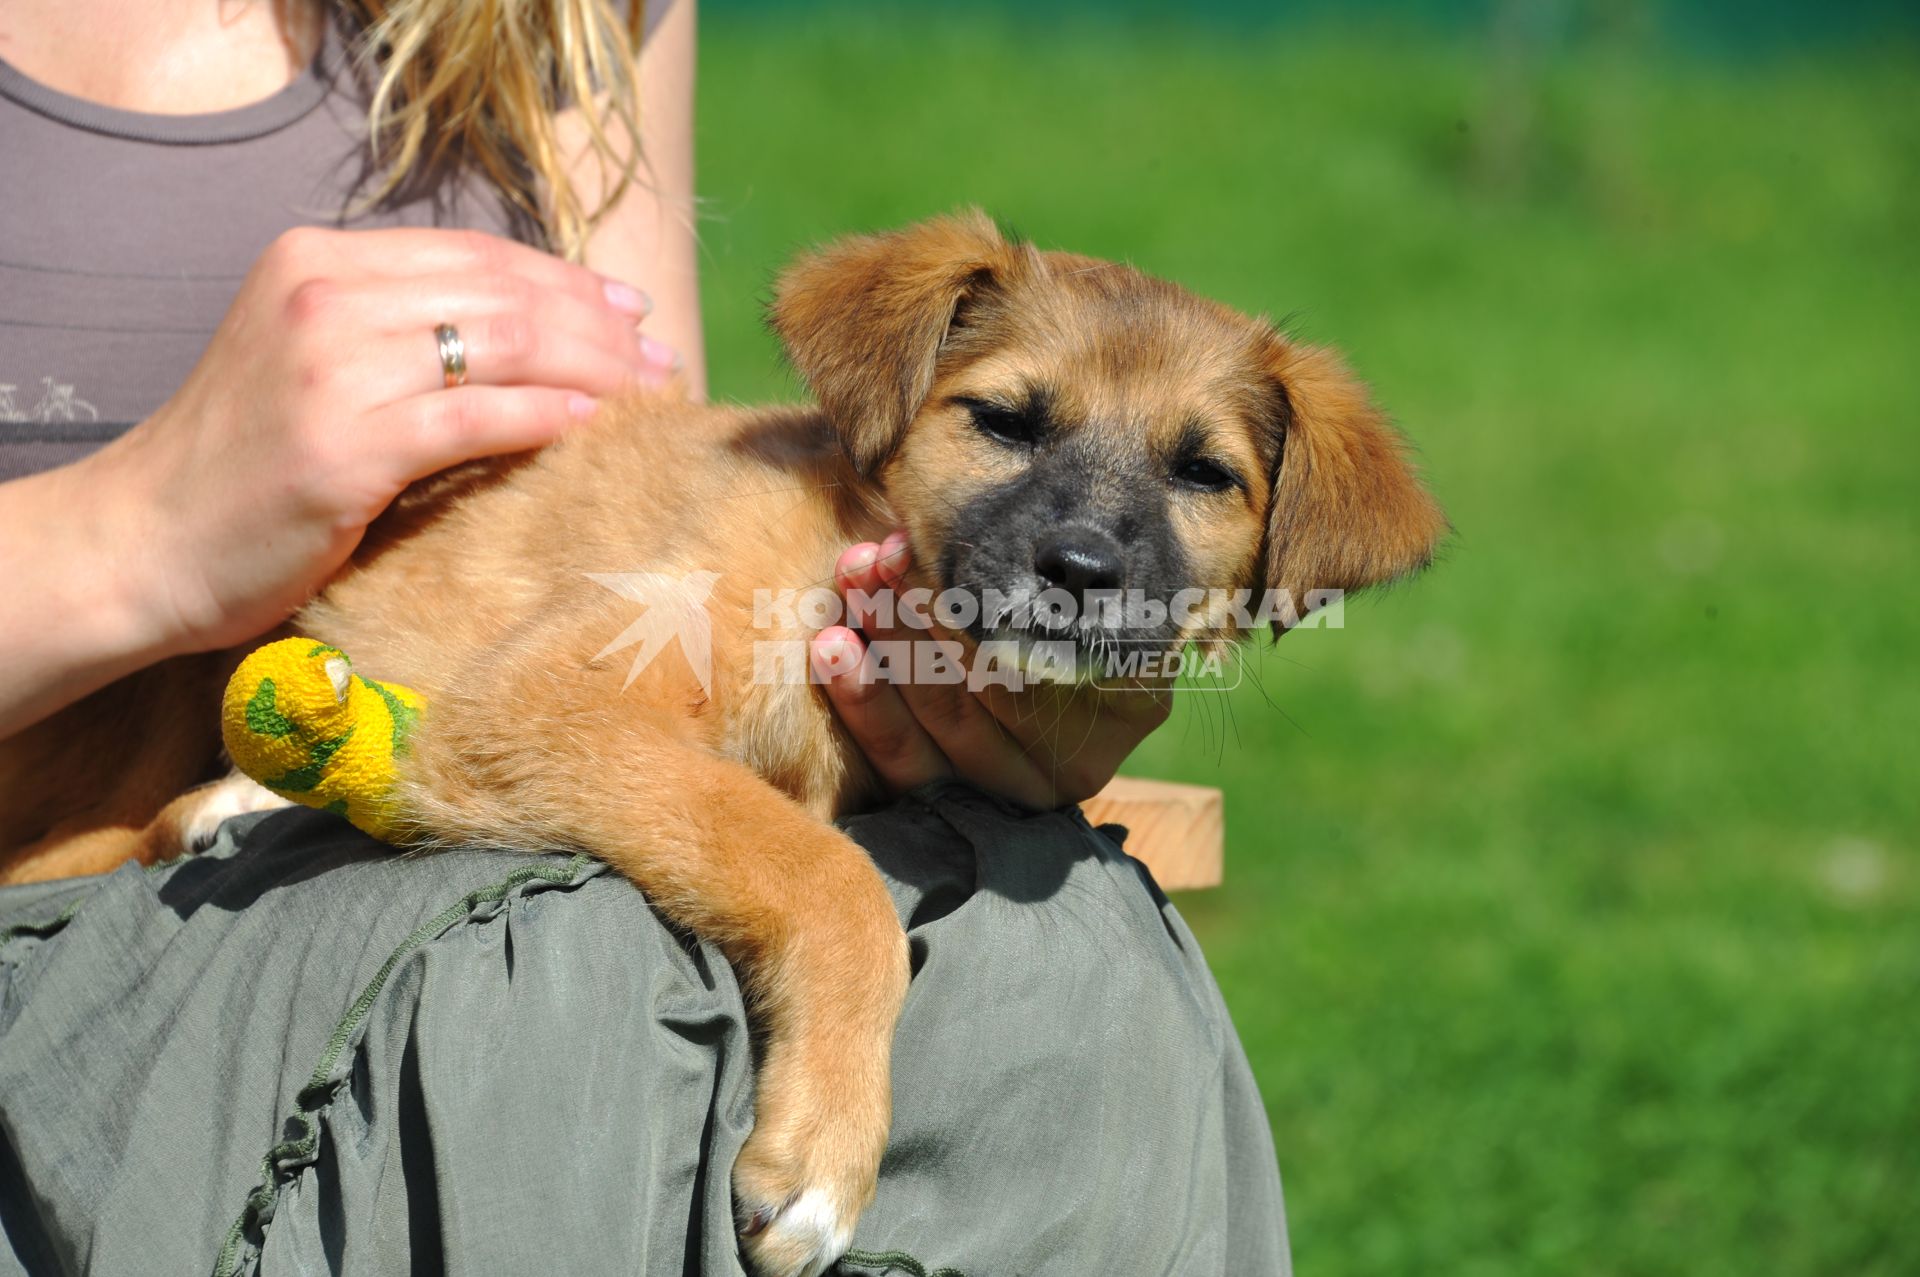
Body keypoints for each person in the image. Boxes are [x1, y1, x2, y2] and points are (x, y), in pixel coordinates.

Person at [0, 1, 1289, 1272]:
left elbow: (642, 469)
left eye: (1202, 476)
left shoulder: (567, 17)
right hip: (100, 853)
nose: (1085, 548)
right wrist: (149, 525)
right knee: (571, 987)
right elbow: (532, 725)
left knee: (1094, 958)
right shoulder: (777, 526)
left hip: (397, 792)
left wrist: (1006, 742)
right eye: (1006, 421)